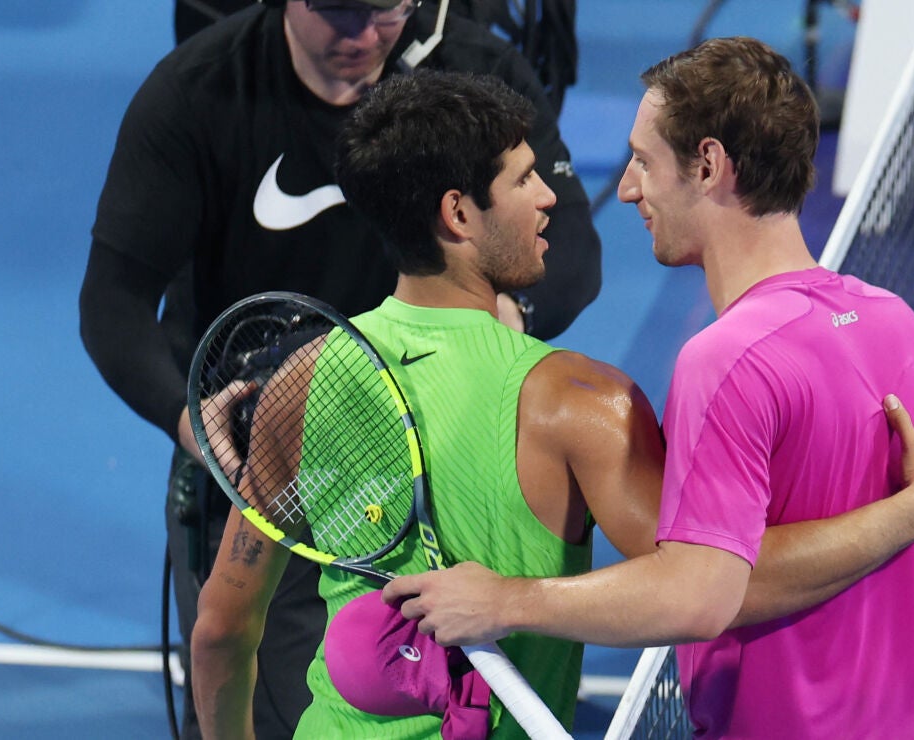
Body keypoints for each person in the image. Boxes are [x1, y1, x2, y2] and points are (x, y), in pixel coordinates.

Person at [191, 69, 914, 738]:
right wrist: (911, 511)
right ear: (459, 216)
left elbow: (223, 631)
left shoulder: (303, 383)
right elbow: (718, 588)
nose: (552, 197)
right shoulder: (584, 404)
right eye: (524, 179)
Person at [78, 1, 600, 737]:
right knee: (250, 702)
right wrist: (191, 420)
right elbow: (113, 303)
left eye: (381, 10)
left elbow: (571, 249)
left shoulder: (477, 79)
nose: (358, 36)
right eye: (334, 10)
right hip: (266, 449)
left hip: (435, 456)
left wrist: (503, 323)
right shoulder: (197, 92)